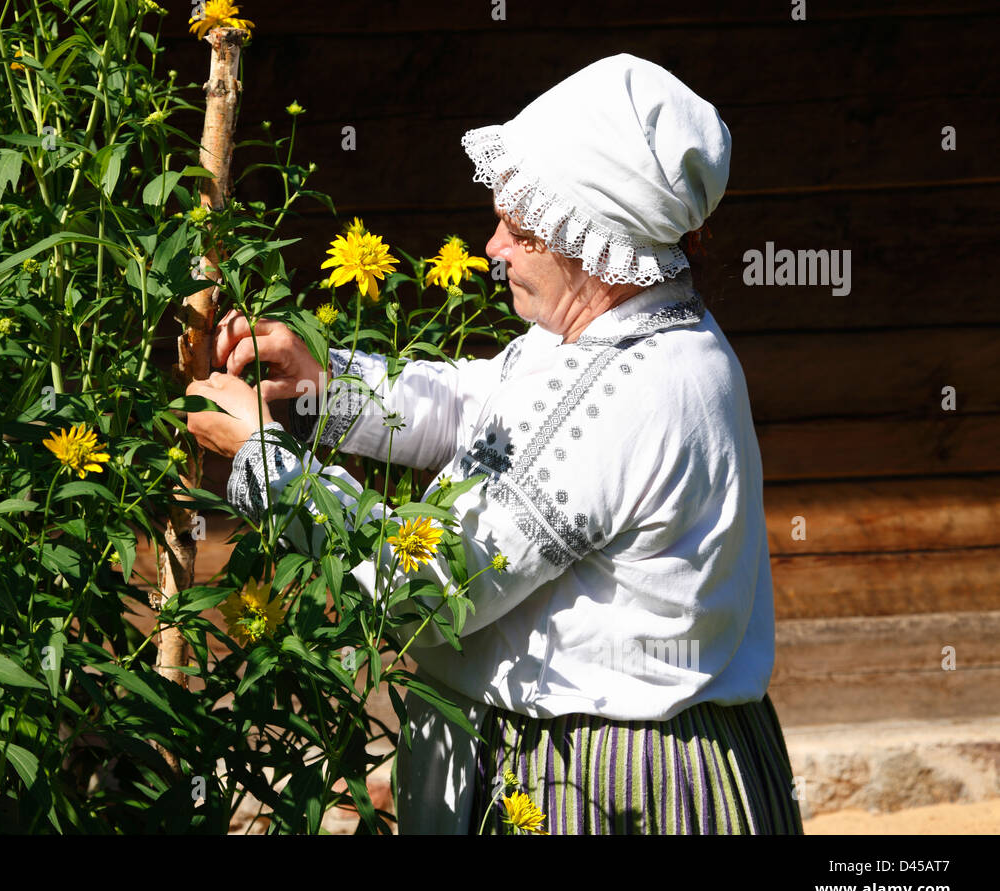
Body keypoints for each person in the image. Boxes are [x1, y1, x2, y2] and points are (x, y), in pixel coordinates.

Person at [186, 53, 804, 835]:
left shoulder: (643, 387)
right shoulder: (608, 333)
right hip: (550, 754)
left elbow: (434, 583)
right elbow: (472, 407)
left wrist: (261, 460)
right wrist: (318, 383)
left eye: (519, 228)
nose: (492, 247)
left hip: (603, 785)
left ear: (593, 241)